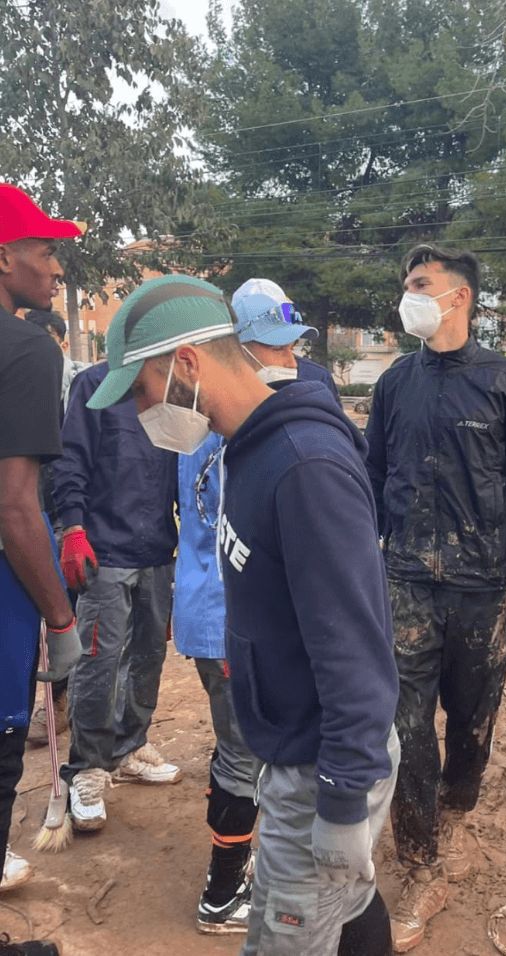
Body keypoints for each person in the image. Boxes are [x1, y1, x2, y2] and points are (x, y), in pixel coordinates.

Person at [89, 274, 400, 956]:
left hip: (321, 763)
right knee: (343, 910)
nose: (142, 411)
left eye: (143, 390)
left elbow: (355, 646)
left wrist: (344, 796)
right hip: (289, 747)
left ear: (189, 364)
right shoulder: (246, 451)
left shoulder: (302, 466)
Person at [365, 243, 506, 953]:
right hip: (407, 583)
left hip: (483, 586)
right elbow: (372, 478)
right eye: (406, 285)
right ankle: (421, 862)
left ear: (460, 297)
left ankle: (456, 798)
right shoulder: (394, 384)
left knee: (472, 721)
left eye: (420, 285)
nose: (408, 296)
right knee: (406, 726)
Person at [174, 276, 339, 935]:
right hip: (227, 621)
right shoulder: (227, 425)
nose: (289, 362)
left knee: (236, 749)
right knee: (245, 754)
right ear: (234, 351)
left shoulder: (206, 416)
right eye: (273, 350)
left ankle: (235, 873)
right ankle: (220, 895)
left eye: (292, 346)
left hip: (214, 613)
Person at [0, 183, 83, 956]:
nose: (55, 267)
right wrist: (60, 619)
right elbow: (16, 509)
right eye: (45, 249)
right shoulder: (26, 347)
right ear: (4, 256)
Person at [52, 358, 180, 832]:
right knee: (99, 662)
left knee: (148, 656)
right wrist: (73, 527)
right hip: (105, 550)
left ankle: (129, 745)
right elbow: (71, 459)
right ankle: (86, 768)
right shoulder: (97, 384)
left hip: (156, 550)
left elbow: (180, 467)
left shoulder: (169, 386)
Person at [22, 309, 89, 747]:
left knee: (67, 608)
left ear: (62, 342)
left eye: (48, 339)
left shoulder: (79, 385)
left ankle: (60, 703)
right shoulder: (21, 382)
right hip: (28, 512)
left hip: (66, 514)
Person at [231, 277, 341, 402]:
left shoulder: (317, 379)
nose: (292, 364)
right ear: (239, 347)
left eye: (292, 346)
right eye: (278, 348)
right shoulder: (213, 390)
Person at [24, 309, 90, 410]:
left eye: (46, 340)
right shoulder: (14, 384)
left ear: (64, 346)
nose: (37, 347)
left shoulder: (85, 385)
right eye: (30, 340)